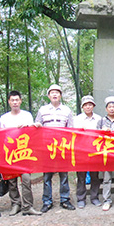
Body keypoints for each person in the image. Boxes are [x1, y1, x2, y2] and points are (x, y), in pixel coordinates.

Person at [0, 91, 42, 216]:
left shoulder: (27, 115)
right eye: (12, 100)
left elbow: (32, 131)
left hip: (24, 152)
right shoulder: (4, 118)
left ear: (20, 101)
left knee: (26, 179)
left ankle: (27, 206)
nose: (15, 102)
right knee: (11, 181)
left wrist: (30, 125)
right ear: (9, 101)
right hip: (10, 153)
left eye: (17, 100)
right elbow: (0, 135)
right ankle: (15, 204)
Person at [35, 84, 75, 212]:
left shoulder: (67, 111)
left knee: (64, 175)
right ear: (48, 95)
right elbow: (37, 127)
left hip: (62, 147)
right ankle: (47, 201)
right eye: (52, 92)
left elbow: (71, 130)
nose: (55, 95)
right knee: (47, 176)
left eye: (57, 92)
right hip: (47, 148)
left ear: (60, 95)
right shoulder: (42, 110)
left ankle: (65, 199)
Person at [74, 95, 103, 209]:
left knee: (95, 175)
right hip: (81, 151)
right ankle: (81, 198)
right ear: (82, 107)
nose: (88, 107)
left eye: (90, 104)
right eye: (85, 105)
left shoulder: (99, 119)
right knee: (81, 176)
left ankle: (94, 197)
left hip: (94, 151)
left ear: (93, 106)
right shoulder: (77, 119)